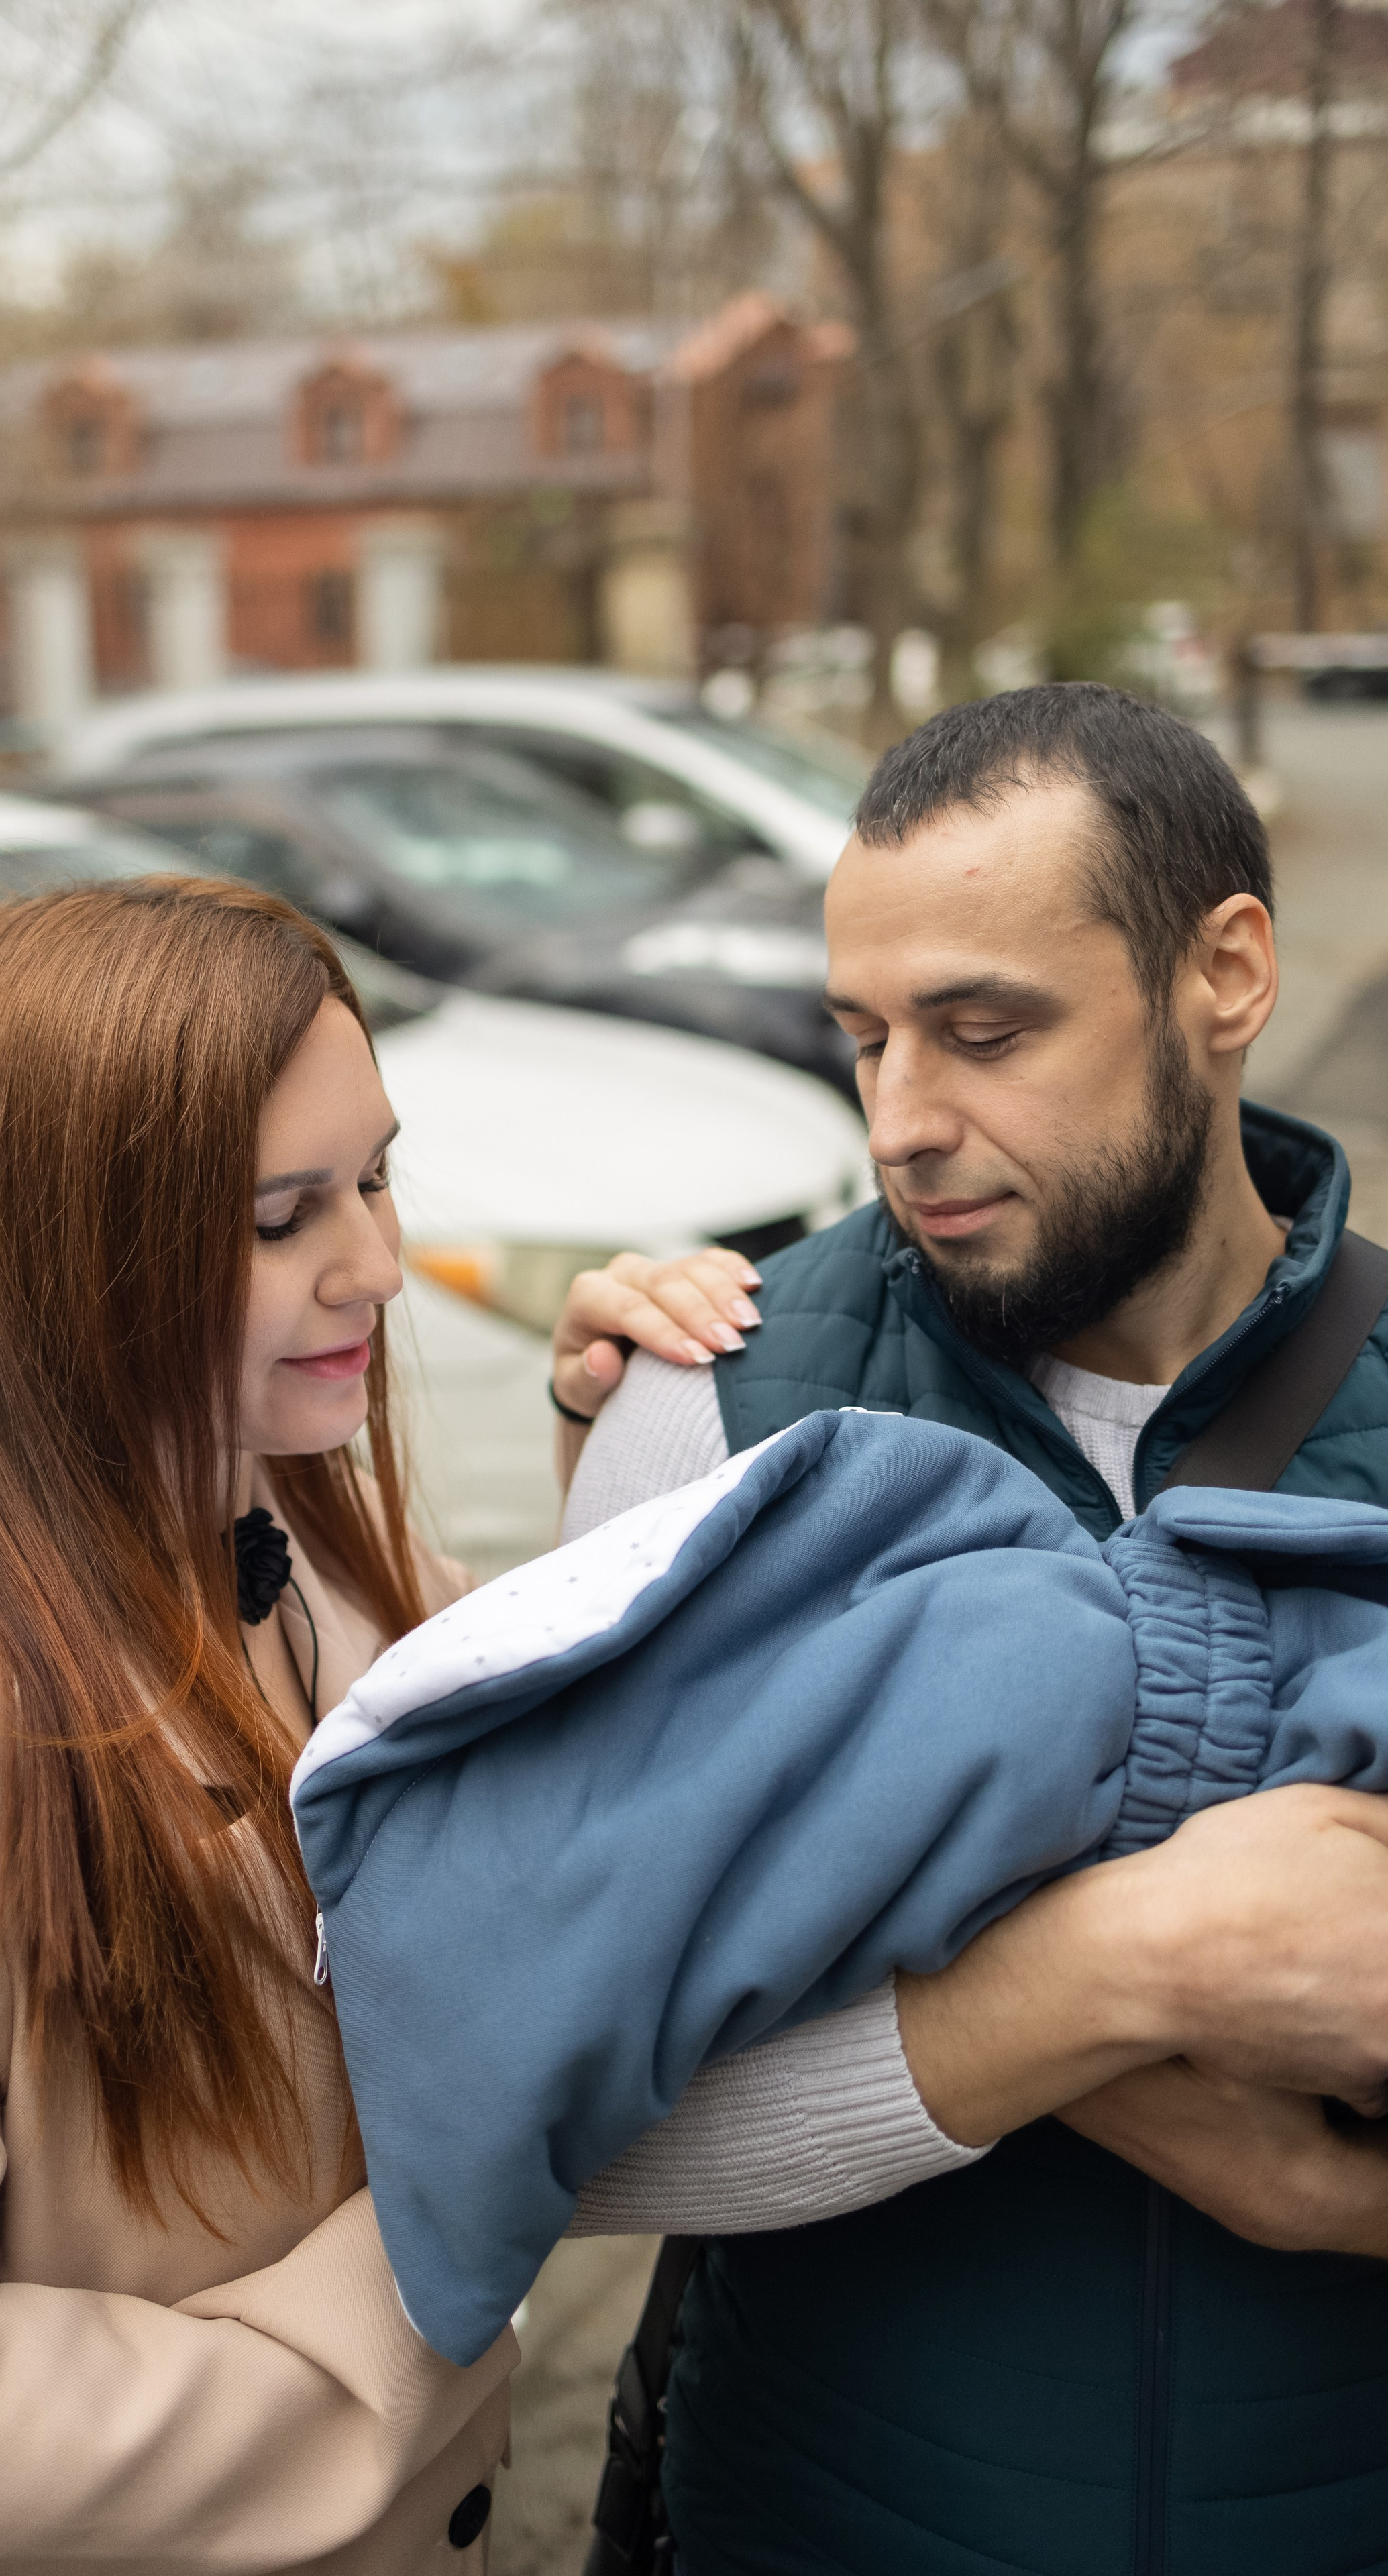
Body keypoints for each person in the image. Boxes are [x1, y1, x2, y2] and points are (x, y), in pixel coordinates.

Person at [0, 876, 912, 2576]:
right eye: (282, 1219)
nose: (381, 1268)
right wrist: (419, 2286)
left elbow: (539, 1823)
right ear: (69, 1241)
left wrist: (607, 1472)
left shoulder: (314, 1543)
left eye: (379, 1176)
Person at [562, 682, 1388, 2574]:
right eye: (860, 1041)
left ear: (1228, 974)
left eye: (984, 1032)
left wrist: (1342, 2205)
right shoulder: (706, 1415)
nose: (901, 1125)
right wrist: (1116, 1988)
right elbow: (556, 2124)